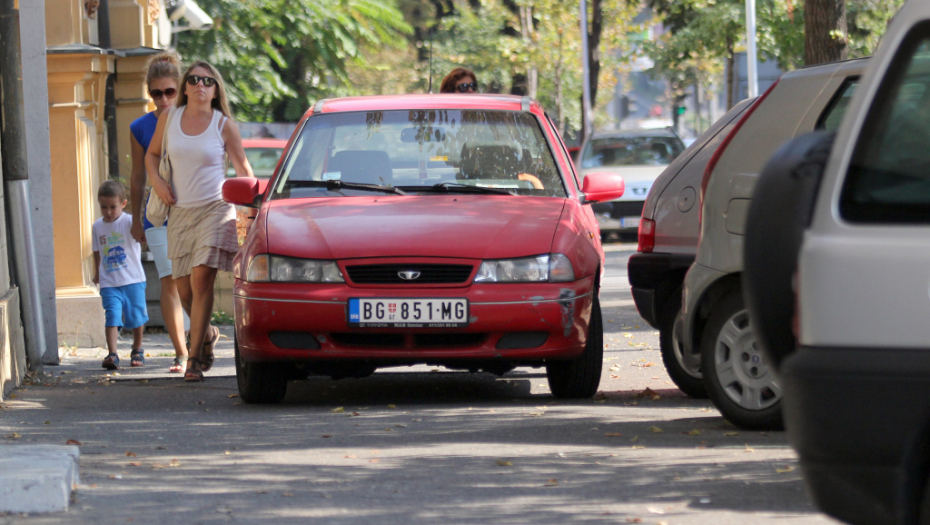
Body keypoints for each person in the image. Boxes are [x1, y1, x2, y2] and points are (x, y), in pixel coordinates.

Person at [145, 60, 254, 382]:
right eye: (193, 79)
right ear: (185, 87)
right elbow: (151, 156)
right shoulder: (169, 118)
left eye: (207, 81)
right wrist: (158, 183)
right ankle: (206, 334)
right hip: (179, 211)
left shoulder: (224, 126)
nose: (200, 85)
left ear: (216, 88)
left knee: (200, 278)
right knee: (184, 291)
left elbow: (244, 171)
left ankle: (193, 359)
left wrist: (248, 218)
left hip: (215, 209)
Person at [129, 51, 190, 373]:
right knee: (169, 281)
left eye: (169, 91)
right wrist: (137, 220)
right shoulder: (140, 127)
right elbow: (138, 176)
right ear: (149, 93)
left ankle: (203, 333)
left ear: (180, 89)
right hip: (159, 215)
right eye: (156, 93)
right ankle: (182, 353)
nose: (164, 99)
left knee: (193, 280)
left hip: (194, 212)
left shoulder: (196, 120)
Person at [93, 180, 149, 370]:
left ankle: (137, 348)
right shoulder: (97, 227)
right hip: (109, 281)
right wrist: (97, 272)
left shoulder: (129, 222)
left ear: (123, 204)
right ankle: (112, 353)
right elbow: (97, 251)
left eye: (113, 207)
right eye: (104, 207)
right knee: (112, 315)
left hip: (133, 279)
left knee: (136, 317)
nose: (108, 212)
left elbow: (143, 237)